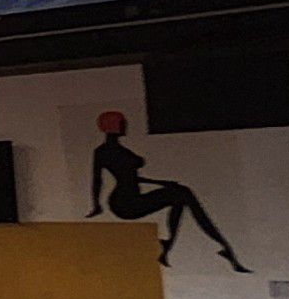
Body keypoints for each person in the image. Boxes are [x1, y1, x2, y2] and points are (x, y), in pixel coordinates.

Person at [86, 110, 250, 271]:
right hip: (126, 204)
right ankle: (222, 247)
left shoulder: (106, 152)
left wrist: (162, 183)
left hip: (126, 200)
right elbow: (98, 180)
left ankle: (169, 246)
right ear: (112, 125)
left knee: (180, 195)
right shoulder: (108, 152)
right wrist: (96, 205)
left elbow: (129, 178)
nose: (125, 126)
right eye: (122, 123)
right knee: (184, 194)